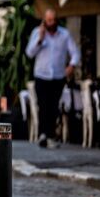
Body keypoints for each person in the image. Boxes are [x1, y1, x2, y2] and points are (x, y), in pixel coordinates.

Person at [25, 8, 79, 147]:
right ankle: (43, 135)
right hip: (41, 76)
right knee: (43, 105)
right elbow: (29, 53)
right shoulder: (37, 33)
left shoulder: (64, 34)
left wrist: (71, 66)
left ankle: (50, 136)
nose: (51, 22)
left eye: (53, 20)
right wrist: (40, 39)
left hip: (57, 77)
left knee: (53, 107)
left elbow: (75, 53)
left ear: (57, 20)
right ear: (44, 21)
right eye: (49, 20)